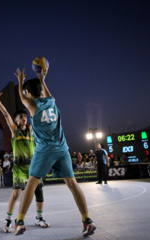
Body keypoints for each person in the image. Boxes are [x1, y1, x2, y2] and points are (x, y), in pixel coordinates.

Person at [13, 68, 96, 236]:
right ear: (42, 90)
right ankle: (87, 220)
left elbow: (22, 97)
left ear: (29, 93)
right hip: (62, 149)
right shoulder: (52, 101)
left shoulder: (32, 105)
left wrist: (20, 81)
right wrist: (42, 79)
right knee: (72, 184)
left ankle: (20, 222)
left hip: (44, 151)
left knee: (31, 184)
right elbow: (46, 93)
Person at [0, 89, 50, 233]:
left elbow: (35, 112)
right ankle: (8, 221)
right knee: (16, 194)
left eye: (25, 116)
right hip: (19, 167)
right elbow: (5, 114)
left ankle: (39, 218)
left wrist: (37, 98)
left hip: (33, 166)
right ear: (16, 119)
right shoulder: (14, 130)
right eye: (21, 117)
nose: (24, 118)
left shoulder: (30, 128)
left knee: (39, 192)